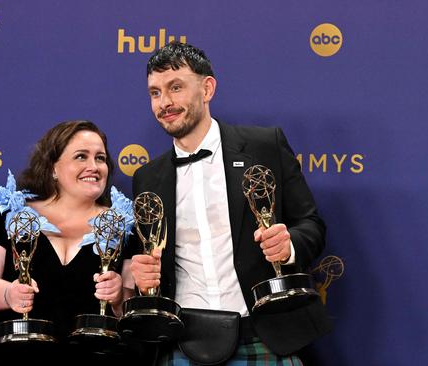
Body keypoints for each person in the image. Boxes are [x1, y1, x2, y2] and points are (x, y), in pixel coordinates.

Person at [129, 42, 332, 365]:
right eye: (155, 93)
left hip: (265, 333)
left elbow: (311, 224)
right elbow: (150, 262)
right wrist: (140, 277)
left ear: (207, 88)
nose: (164, 102)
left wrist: (289, 245)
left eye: (176, 88)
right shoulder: (146, 178)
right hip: (182, 341)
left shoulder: (265, 146)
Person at [0, 120, 138, 365]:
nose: (93, 166)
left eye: (100, 158)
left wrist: (118, 296)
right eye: (81, 157)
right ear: (53, 167)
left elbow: (134, 309)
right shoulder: (8, 214)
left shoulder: (126, 226)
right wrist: (8, 294)